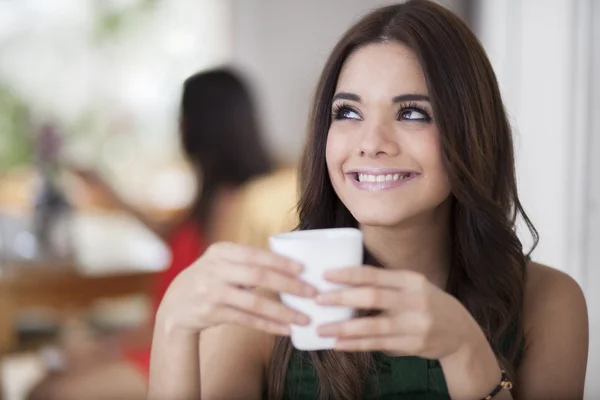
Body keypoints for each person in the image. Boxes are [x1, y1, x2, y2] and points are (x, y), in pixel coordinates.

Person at [148, 1, 589, 399]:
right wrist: (172, 326)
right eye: (348, 113)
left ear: (472, 134)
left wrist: (465, 352)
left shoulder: (549, 303)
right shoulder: (259, 310)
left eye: (412, 113)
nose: (371, 143)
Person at [27, 68, 298, 400]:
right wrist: (112, 193)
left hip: (181, 349)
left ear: (199, 124)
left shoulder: (244, 207)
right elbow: (174, 236)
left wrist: (109, 345)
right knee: (50, 376)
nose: (178, 127)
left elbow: (205, 314)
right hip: (159, 334)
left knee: (48, 390)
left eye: (182, 116)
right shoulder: (214, 198)